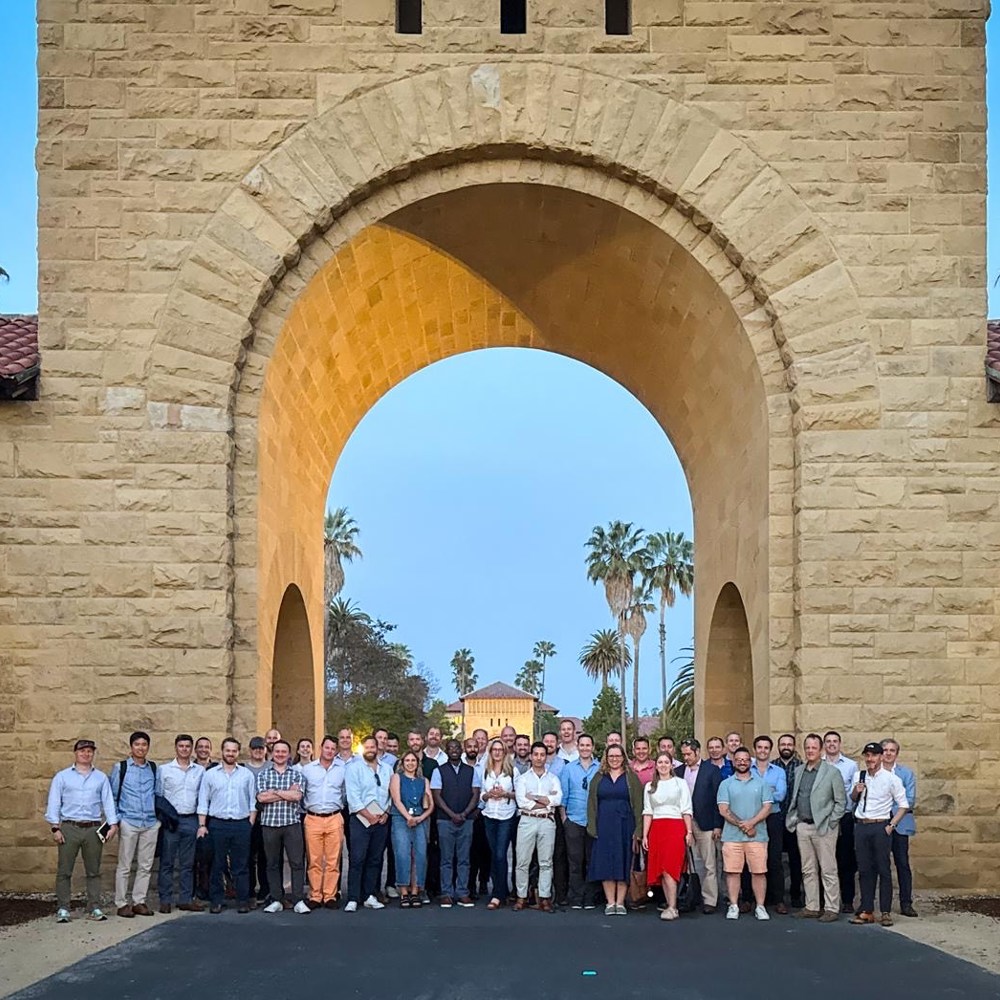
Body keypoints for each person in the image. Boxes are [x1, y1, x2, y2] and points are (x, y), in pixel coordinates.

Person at [45, 738, 119, 922]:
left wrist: (113, 824)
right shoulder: (62, 777)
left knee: (93, 870)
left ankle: (94, 907)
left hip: (93, 828)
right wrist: (55, 828)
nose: (86, 754)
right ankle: (63, 908)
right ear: (75, 753)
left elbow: (108, 802)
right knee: (64, 870)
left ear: (93, 753)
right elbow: (54, 802)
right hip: (70, 827)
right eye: (82, 751)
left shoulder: (100, 777)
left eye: (89, 751)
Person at [784, 733, 845, 923]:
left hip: (824, 827)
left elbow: (840, 802)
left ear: (821, 750)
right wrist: (795, 821)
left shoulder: (832, 772)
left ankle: (831, 907)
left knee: (828, 869)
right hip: (803, 825)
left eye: (814, 748)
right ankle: (812, 906)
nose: (810, 751)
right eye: (807, 747)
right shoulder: (800, 770)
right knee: (807, 869)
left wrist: (831, 822)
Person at [849, 742, 909, 927]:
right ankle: (867, 909)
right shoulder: (859, 776)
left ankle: (885, 911)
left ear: (881, 757)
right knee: (865, 870)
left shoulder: (891, 779)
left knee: (883, 869)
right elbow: (853, 799)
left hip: (880, 826)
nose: (870, 759)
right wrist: (855, 791)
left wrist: (891, 825)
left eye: (874, 755)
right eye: (867, 755)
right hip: (862, 825)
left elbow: (903, 805)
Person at [196, 737, 257, 914]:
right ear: (222, 751)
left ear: (238, 752)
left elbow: (253, 801)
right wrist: (202, 825)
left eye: (234, 750)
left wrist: (249, 824)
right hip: (217, 824)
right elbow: (203, 801)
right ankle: (216, 901)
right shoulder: (210, 775)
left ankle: (242, 900)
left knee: (241, 864)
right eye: (227, 750)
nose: (230, 753)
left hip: (241, 824)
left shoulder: (246, 775)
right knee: (217, 864)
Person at [586, 743, 643, 916]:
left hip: (625, 826)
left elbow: (639, 805)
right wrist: (592, 826)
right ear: (606, 757)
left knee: (623, 861)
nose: (614, 759)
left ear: (623, 757)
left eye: (618, 756)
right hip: (603, 826)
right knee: (606, 863)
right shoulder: (598, 777)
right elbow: (591, 804)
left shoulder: (631, 777)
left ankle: (620, 902)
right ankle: (610, 902)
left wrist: (638, 830)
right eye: (611, 756)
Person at [717, 746, 773, 921]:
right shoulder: (726, 784)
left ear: (751, 762)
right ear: (733, 762)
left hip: (758, 836)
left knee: (759, 872)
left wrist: (752, 823)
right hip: (732, 837)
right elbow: (723, 810)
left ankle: (760, 906)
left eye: (746, 759)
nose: (742, 762)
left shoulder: (762, 783)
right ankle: (733, 905)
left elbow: (768, 807)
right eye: (739, 759)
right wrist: (745, 826)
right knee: (733, 872)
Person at [109, 731, 160, 918]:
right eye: (137, 744)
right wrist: (118, 820)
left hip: (150, 822)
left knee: (145, 865)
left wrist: (158, 820)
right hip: (129, 821)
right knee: (125, 864)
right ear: (131, 747)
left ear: (148, 747)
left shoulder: (153, 768)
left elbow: (158, 794)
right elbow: (112, 796)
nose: (141, 747)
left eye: (144, 744)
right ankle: (122, 903)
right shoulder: (120, 768)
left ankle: (139, 901)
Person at [255, 740, 309, 914]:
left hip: (291, 824)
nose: (279, 754)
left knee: (297, 862)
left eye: (283, 751)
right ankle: (276, 899)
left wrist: (275, 792)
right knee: (272, 863)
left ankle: (298, 899)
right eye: (277, 751)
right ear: (272, 753)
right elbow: (261, 798)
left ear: (288, 754)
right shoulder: (263, 775)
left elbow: (297, 796)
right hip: (269, 824)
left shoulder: (297, 775)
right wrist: (286, 793)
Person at [156, 734, 205, 913]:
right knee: (167, 861)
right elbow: (159, 796)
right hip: (171, 821)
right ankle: (165, 899)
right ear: (176, 748)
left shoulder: (199, 771)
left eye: (187, 746)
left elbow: (202, 796)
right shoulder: (164, 770)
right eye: (181, 746)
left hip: (191, 819)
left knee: (187, 863)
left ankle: (185, 898)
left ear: (191, 749)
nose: (184, 749)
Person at [344, 735, 393, 912]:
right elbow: (353, 796)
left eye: (373, 746)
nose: (371, 749)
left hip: (381, 820)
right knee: (357, 858)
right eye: (368, 747)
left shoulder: (387, 769)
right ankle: (353, 897)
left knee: (375, 859)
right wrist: (367, 815)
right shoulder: (353, 768)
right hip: (360, 820)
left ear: (378, 747)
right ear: (362, 748)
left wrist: (386, 812)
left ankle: (369, 895)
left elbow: (391, 793)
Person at [675, 738, 724, 915]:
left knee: (709, 862)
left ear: (697, 752)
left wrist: (718, 825)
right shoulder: (678, 771)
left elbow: (718, 800)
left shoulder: (711, 771)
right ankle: (691, 897)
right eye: (684, 754)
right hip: (684, 822)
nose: (686, 757)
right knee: (691, 863)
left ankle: (710, 900)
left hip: (706, 823)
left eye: (689, 754)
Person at [643, 753, 694, 921]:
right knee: (661, 870)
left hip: (675, 827)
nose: (663, 765)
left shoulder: (680, 783)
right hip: (656, 829)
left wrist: (689, 832)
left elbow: (686, 809)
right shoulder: (650, 786)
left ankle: (672, 907)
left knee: (670, 868)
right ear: (656, 765)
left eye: (666, 762)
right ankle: (671, 905)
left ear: (672, 765)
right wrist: (644, 836)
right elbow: (648, 812)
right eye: (660, 762)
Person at [513, 741, 563, 912]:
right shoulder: (523, 779)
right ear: (531, 756)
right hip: (527, 820)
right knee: (522, 861)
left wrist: (534, 798)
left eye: (542, 754)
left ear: (546, 756)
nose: (539, 758)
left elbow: (557, 800)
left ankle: (544, 897)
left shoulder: (553, 778)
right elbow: (521, 802)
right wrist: (546, 800)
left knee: (546, 862)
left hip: (547, 821)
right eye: (536, 754)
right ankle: (521, 896)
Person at [430, 738, 480, 908]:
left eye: (457, 748)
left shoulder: (471, 771)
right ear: (447, 750)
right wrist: (452, 814)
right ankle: (446, 893)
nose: (454, 750)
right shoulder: (439, 771)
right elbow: (437, 795)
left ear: (461, 750)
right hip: (445, 820)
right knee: (446, 859)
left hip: (466, 820)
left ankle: (463, 892)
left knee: (464, 859)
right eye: (451, 748)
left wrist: (464, 813)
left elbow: (475, 794)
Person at [300, 735, 347, 910]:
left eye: (333, 749)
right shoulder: (308, 769)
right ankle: (315, 894)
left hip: (334, 816)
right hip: (313, 817)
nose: (330, 751)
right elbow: (302, 792)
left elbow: (344, 792)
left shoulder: (342, 769)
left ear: (336, 751)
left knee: (333, 860)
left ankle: (330, 895)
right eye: (327, 748)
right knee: (314, 859)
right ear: (321, 748)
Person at [560, 734, 600, 910]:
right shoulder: (569, 769)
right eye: (582, 745)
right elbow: (563, 795)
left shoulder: (600, 768)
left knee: (592, 861)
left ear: (592, 747)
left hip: (594, 821)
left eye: (588, 745)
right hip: (574, 820)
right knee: (575, 861)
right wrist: (564, 818)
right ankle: (576, 897)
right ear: (577, 746)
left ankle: (590, 897)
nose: (585, 748)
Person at [389, 750, 433, 907]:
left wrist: (421, 817)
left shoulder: (423, 780)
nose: (410, 763)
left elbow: (430, 803)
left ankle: (415, 891)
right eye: (407, 760)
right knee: (403, 854)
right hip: (401, 819)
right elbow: (396, 799)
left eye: (413, 760)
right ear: (402, 763)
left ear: (417, 763)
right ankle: (404, 891)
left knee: (420, 855)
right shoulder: (396, 778)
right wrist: (408, 817)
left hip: (420, 820)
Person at [881, 738, 918, 918]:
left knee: (902, 863)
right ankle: (878, 904)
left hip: (900, 824)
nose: (888, 753)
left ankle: (906, 903)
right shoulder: (873, 773)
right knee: (879, 864)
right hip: (878, 823)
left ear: (897, 753)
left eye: (892, 750)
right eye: (885, 750)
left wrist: (892, 812)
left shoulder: (906, 774)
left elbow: (909, 800)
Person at [751, 735, 787, 913]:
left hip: (773, 819)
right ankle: (750, 899)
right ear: (754, 750)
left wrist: (758, 794)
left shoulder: (779, 771)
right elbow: (747, 794)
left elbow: (780, 795)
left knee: (774, 859)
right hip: (753, 819)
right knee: (751, 859)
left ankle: (778, 899)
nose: (763, 750)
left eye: (766, 748)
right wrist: (767, 793)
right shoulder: (748, 770)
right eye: (759, 747)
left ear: (770, 750)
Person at [479, 739, 516, 909]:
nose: (497, 752)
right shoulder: (485, 770)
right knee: (493, 854)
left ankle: (498, 894)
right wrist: (487, 795)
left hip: (506, 816)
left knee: (501, 854)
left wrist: (505, 793)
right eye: (494, 749)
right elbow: (480, 793)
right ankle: (500, 891)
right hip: (489, 815)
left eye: (500, 750)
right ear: (490, 751)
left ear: (505, 752)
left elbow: (519, 794)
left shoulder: (512, 771)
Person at [824, 730, 858, 913]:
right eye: (828, 741)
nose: (831, 744)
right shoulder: (819, 764)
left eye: (834, 741)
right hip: (824, 817)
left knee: (845, 860)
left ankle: (847, 900)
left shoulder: (851, 766)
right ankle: (826, 900)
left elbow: (854, 792)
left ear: (839, 744)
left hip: (844, 816)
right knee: (826, 859)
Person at [775, 733, 804, 909]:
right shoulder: (773, 766)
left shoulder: (801, 766)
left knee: (796, 859)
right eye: (783, 744)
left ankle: (795, 894)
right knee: (775, 858)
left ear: (794, 746)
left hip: (795, 819)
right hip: (776, 817)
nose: (786, 747)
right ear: (779, 747)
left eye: (789, 744)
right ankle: (775, 895)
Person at [192, 736, 216, 900]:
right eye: (200, 746)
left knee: (209, 855)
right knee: (193, 856)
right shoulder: (191, 767)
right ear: (196, 749)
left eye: (206, 747)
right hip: (193, 816)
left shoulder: (216, 768)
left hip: (212, 817)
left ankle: (208, 888)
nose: (203, 749)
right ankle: (194, 890)